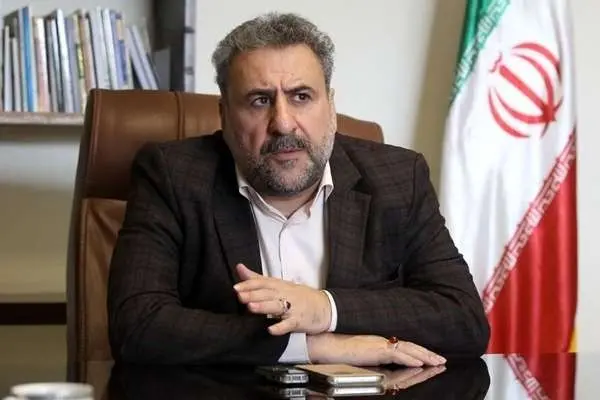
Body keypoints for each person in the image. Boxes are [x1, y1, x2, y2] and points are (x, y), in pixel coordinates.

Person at [107, 12, 489, 367]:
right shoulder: (172, 176)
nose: (283, 123)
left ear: (331, 108)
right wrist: (311, 346)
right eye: (259, 100)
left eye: (301, 96)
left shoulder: (399, 178)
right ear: (224, 115)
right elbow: (137, 326)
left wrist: (325, 309)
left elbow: (464, 319)